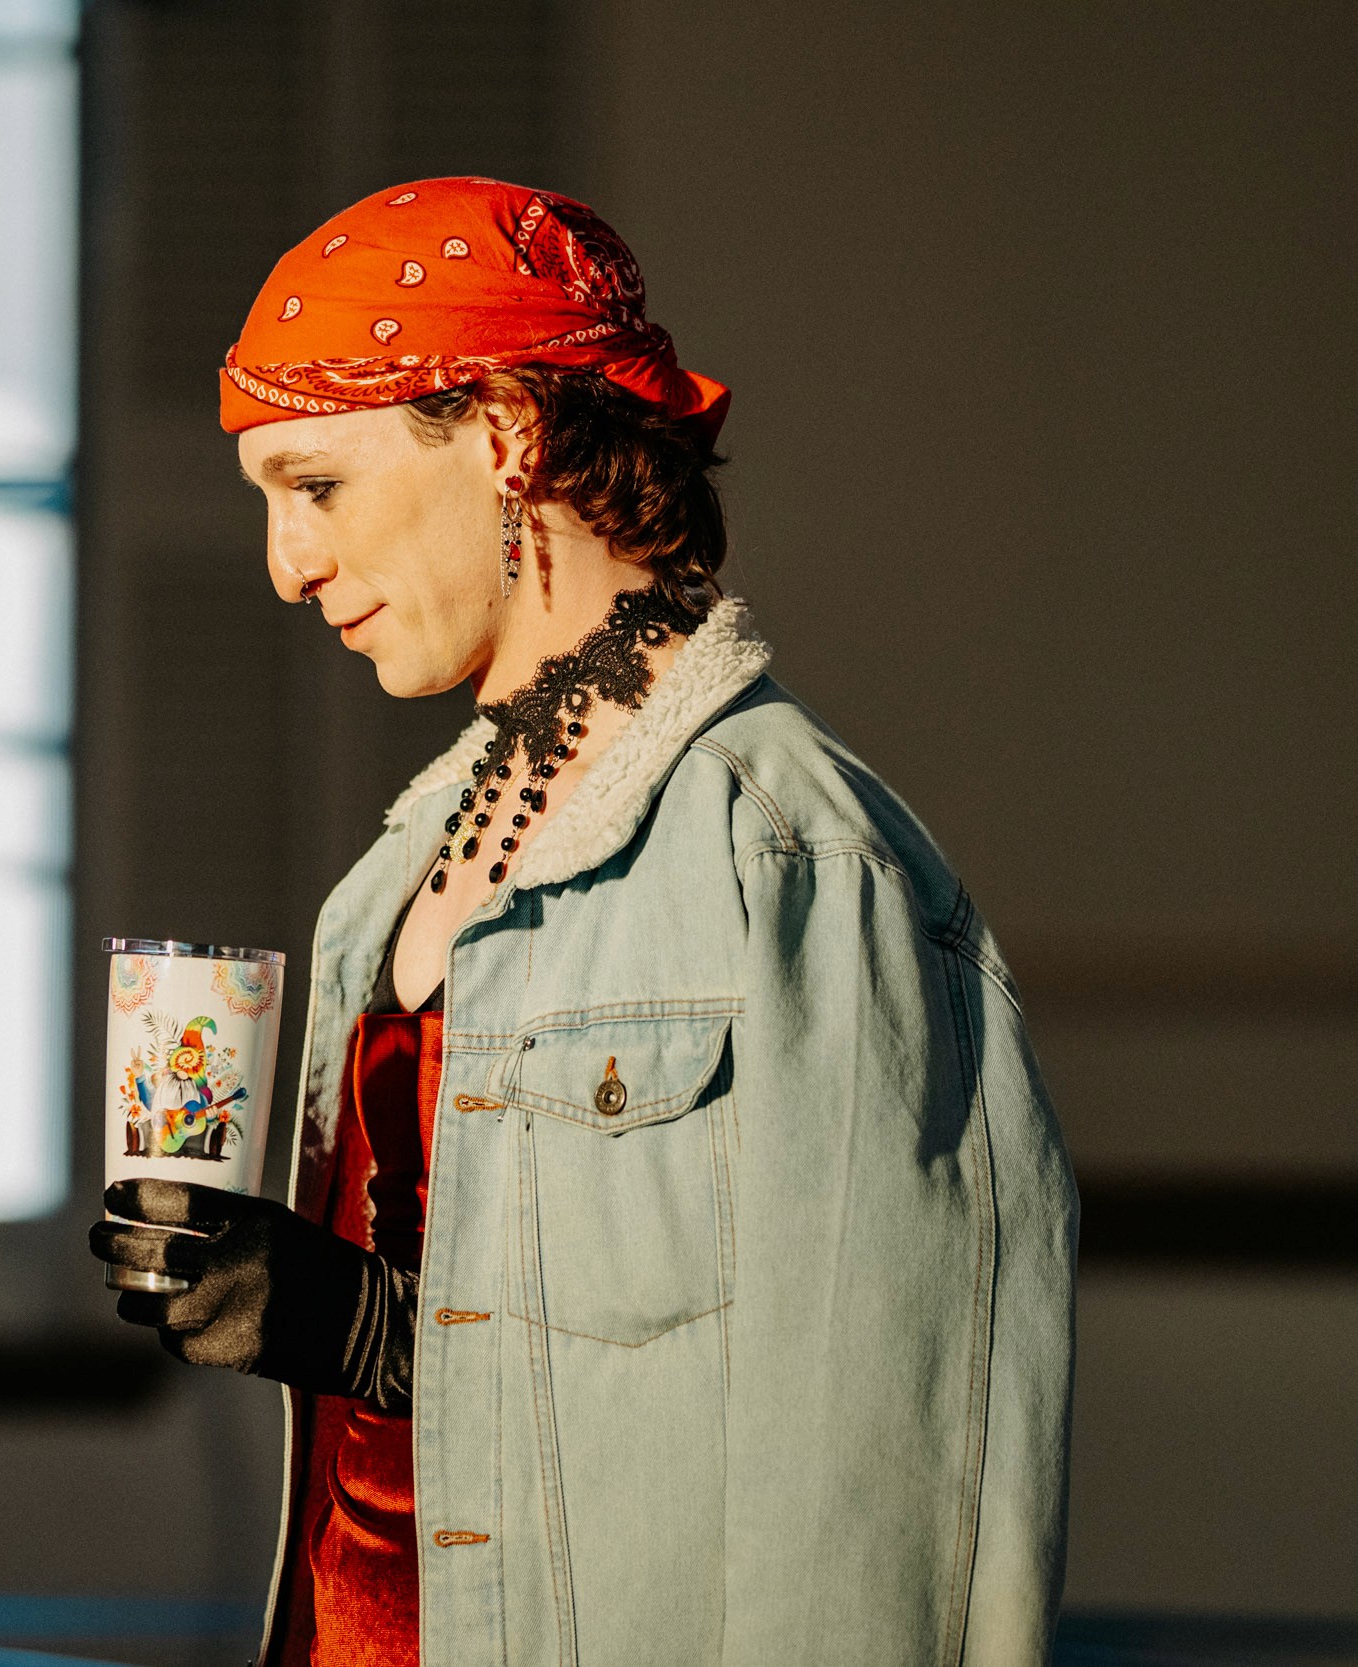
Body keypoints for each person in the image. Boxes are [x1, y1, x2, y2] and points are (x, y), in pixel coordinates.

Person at [91, 180, 1077, 1666]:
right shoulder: (399, 868)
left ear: (506, 431)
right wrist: (346, 1319)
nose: (286, 564)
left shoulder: (794, 859)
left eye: (318, 485)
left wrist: (372, 1329)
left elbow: (884, 1480)